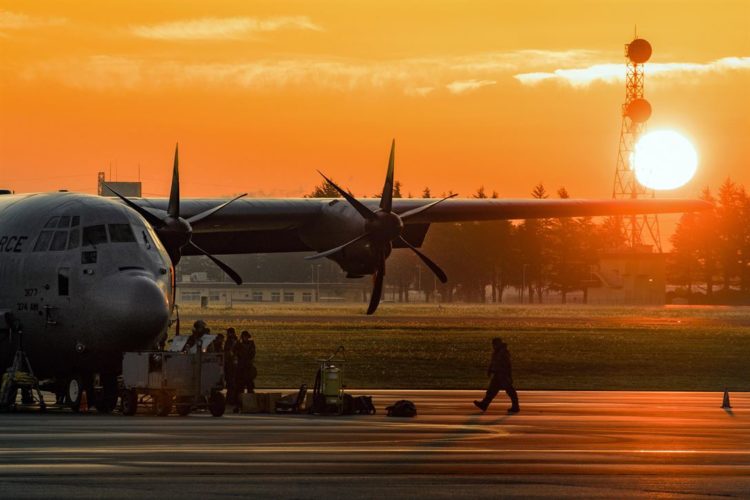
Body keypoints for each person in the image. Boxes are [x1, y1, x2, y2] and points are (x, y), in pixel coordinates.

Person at [474, 337, 520, 413]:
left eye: (495, 344)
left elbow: (508, 365)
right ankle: (484, 404)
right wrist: (490, 369)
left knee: (510, 391)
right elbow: (493, 362)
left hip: (503, 375)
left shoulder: (504, 352)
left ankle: (516, 407)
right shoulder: (496, 352)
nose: (493, 346)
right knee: (491, 391)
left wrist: (509, 375)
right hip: (497, 374)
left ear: (498, 344)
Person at [234, 330, 257, 399]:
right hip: (241, 368)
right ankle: (240, 400)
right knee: (240, 386)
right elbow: (235, 351)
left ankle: (250, 400)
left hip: (248, 367)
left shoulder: (251, 344)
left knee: (249, 385)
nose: (245, 338)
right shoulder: (239, 345)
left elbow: (252, 354)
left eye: (246, 337)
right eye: (244, 337)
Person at [224, 328, 238, 404]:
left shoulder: (232, 341)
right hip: (230, 365)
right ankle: (230, 399)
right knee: (230, 383)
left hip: (231, 365)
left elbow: (231, 352)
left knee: (231, 383)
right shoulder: (231, 341)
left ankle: (231, 399)